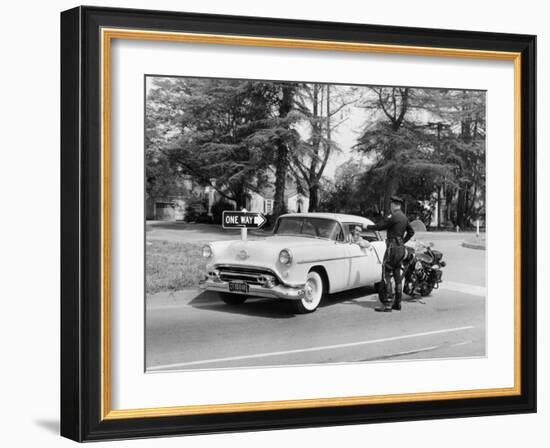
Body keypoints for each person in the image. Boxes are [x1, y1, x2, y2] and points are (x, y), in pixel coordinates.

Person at [367, 196, 415, 312]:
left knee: (386, 274)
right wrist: (403, 241)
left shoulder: (394, 217)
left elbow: (380, 226)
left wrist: (367, 226)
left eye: (391, 204)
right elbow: (411, 232)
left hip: (392, 248)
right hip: (401, 248)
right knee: (397, 275)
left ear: (394, 205)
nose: (390, 206)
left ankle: (387, 304)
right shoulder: (404, 217)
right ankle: (397, 303)